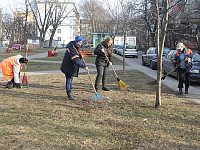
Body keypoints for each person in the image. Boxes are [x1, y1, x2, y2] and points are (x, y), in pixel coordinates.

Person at [61, 36, 89, 100]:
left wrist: (80, 56)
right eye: (79, 42)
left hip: (71, 66)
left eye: (81, 42)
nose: (80, 43)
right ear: (76, 41)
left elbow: (77, 56)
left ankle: (71, 92)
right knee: (68, 80)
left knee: (70, 79)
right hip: (67, 66)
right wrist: (84, 66)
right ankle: (69, 94)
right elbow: (75, 59)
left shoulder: (76, 47)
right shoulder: (71, 48)